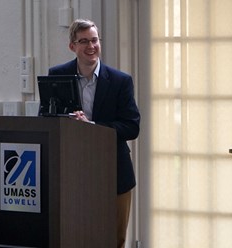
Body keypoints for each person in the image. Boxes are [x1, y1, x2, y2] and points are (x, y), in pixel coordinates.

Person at [48, 19, 140, 248]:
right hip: (72, 170)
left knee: (115, 238)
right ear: (72, 46)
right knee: (77, 235)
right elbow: (50, 120)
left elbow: (131, 126)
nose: (91, 46)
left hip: (115, 170)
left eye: (95, 40)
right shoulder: (56, 75)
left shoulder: (121, 80)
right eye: (84, 41)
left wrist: (92, 126)